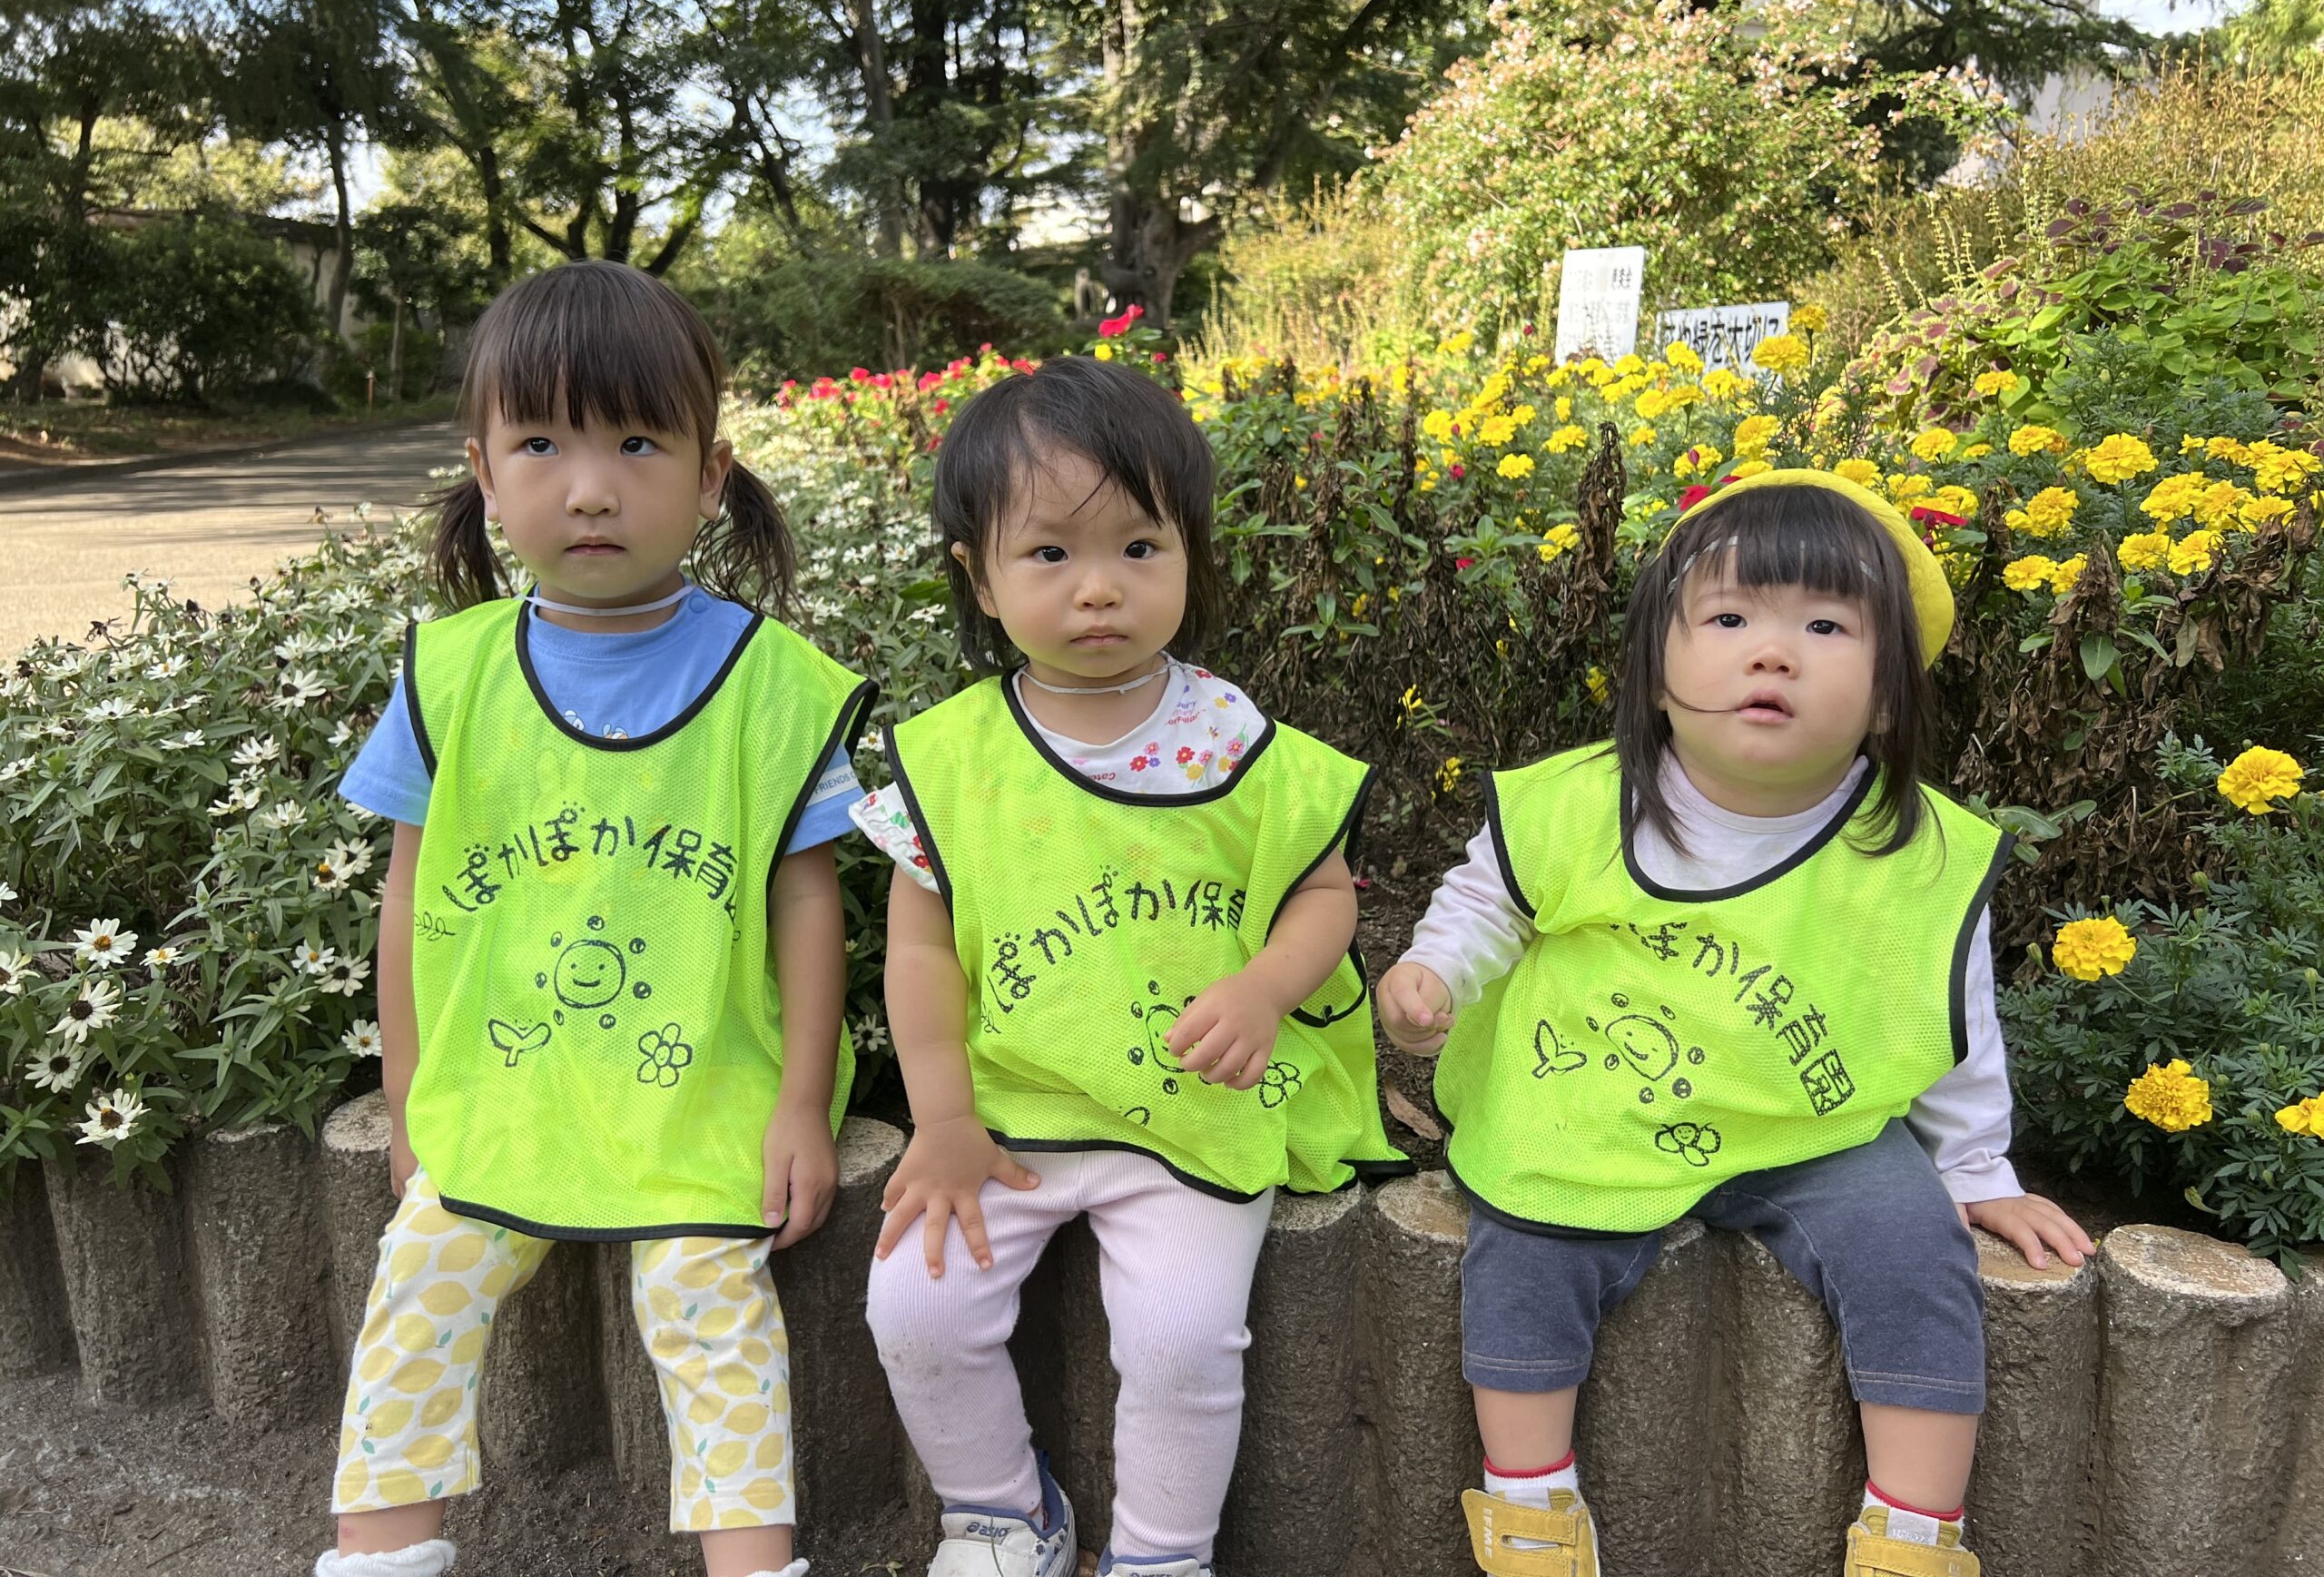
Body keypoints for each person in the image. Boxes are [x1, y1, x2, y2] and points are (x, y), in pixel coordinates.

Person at [1377, 468, 2093, 1577]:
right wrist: (1434, 975)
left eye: (1825, 626)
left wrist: (1974, 1169)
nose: (1773, 653)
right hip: (1588, 1101)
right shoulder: (1580, 803)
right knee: (1522, 1244)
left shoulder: (1918, 850)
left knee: (1915, 1247)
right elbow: (1487, 904)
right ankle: (1530, 1504)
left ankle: (1914, 1531)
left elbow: (1947, 1010)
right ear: (1655, 671)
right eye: (1727, 619)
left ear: (1888, 695)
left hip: (1813, 1126)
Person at [316, 261, 874, 1577]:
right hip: (501, 1090)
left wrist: (801, 1105)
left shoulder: (771, 686)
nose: (589, 488)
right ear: (482, 471)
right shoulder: (450, 676)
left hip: (701, 1100)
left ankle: (755, 1565)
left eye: (635, 443)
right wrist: (409, 1094)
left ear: (711, 472)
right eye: (541, 445)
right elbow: (407, 897)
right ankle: (379, 1554)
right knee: (419, 1289)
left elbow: (809, 903)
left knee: (706, 1302)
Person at [855, 356, 1405, 1577]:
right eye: (1050, 553)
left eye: (1140, 548)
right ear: (980, 577)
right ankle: (1002, 1516)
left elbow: (1323, 894)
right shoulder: (955, 760)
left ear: (1190, 556)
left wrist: (1264, 989)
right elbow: (921, 948)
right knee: (915, 1307)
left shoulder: (1228, 736)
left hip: (1191, 1108)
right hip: (1010, 1111)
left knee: (1182, 1342)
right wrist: (940, 1120)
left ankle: (1163, 1555)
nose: (1098, 587)